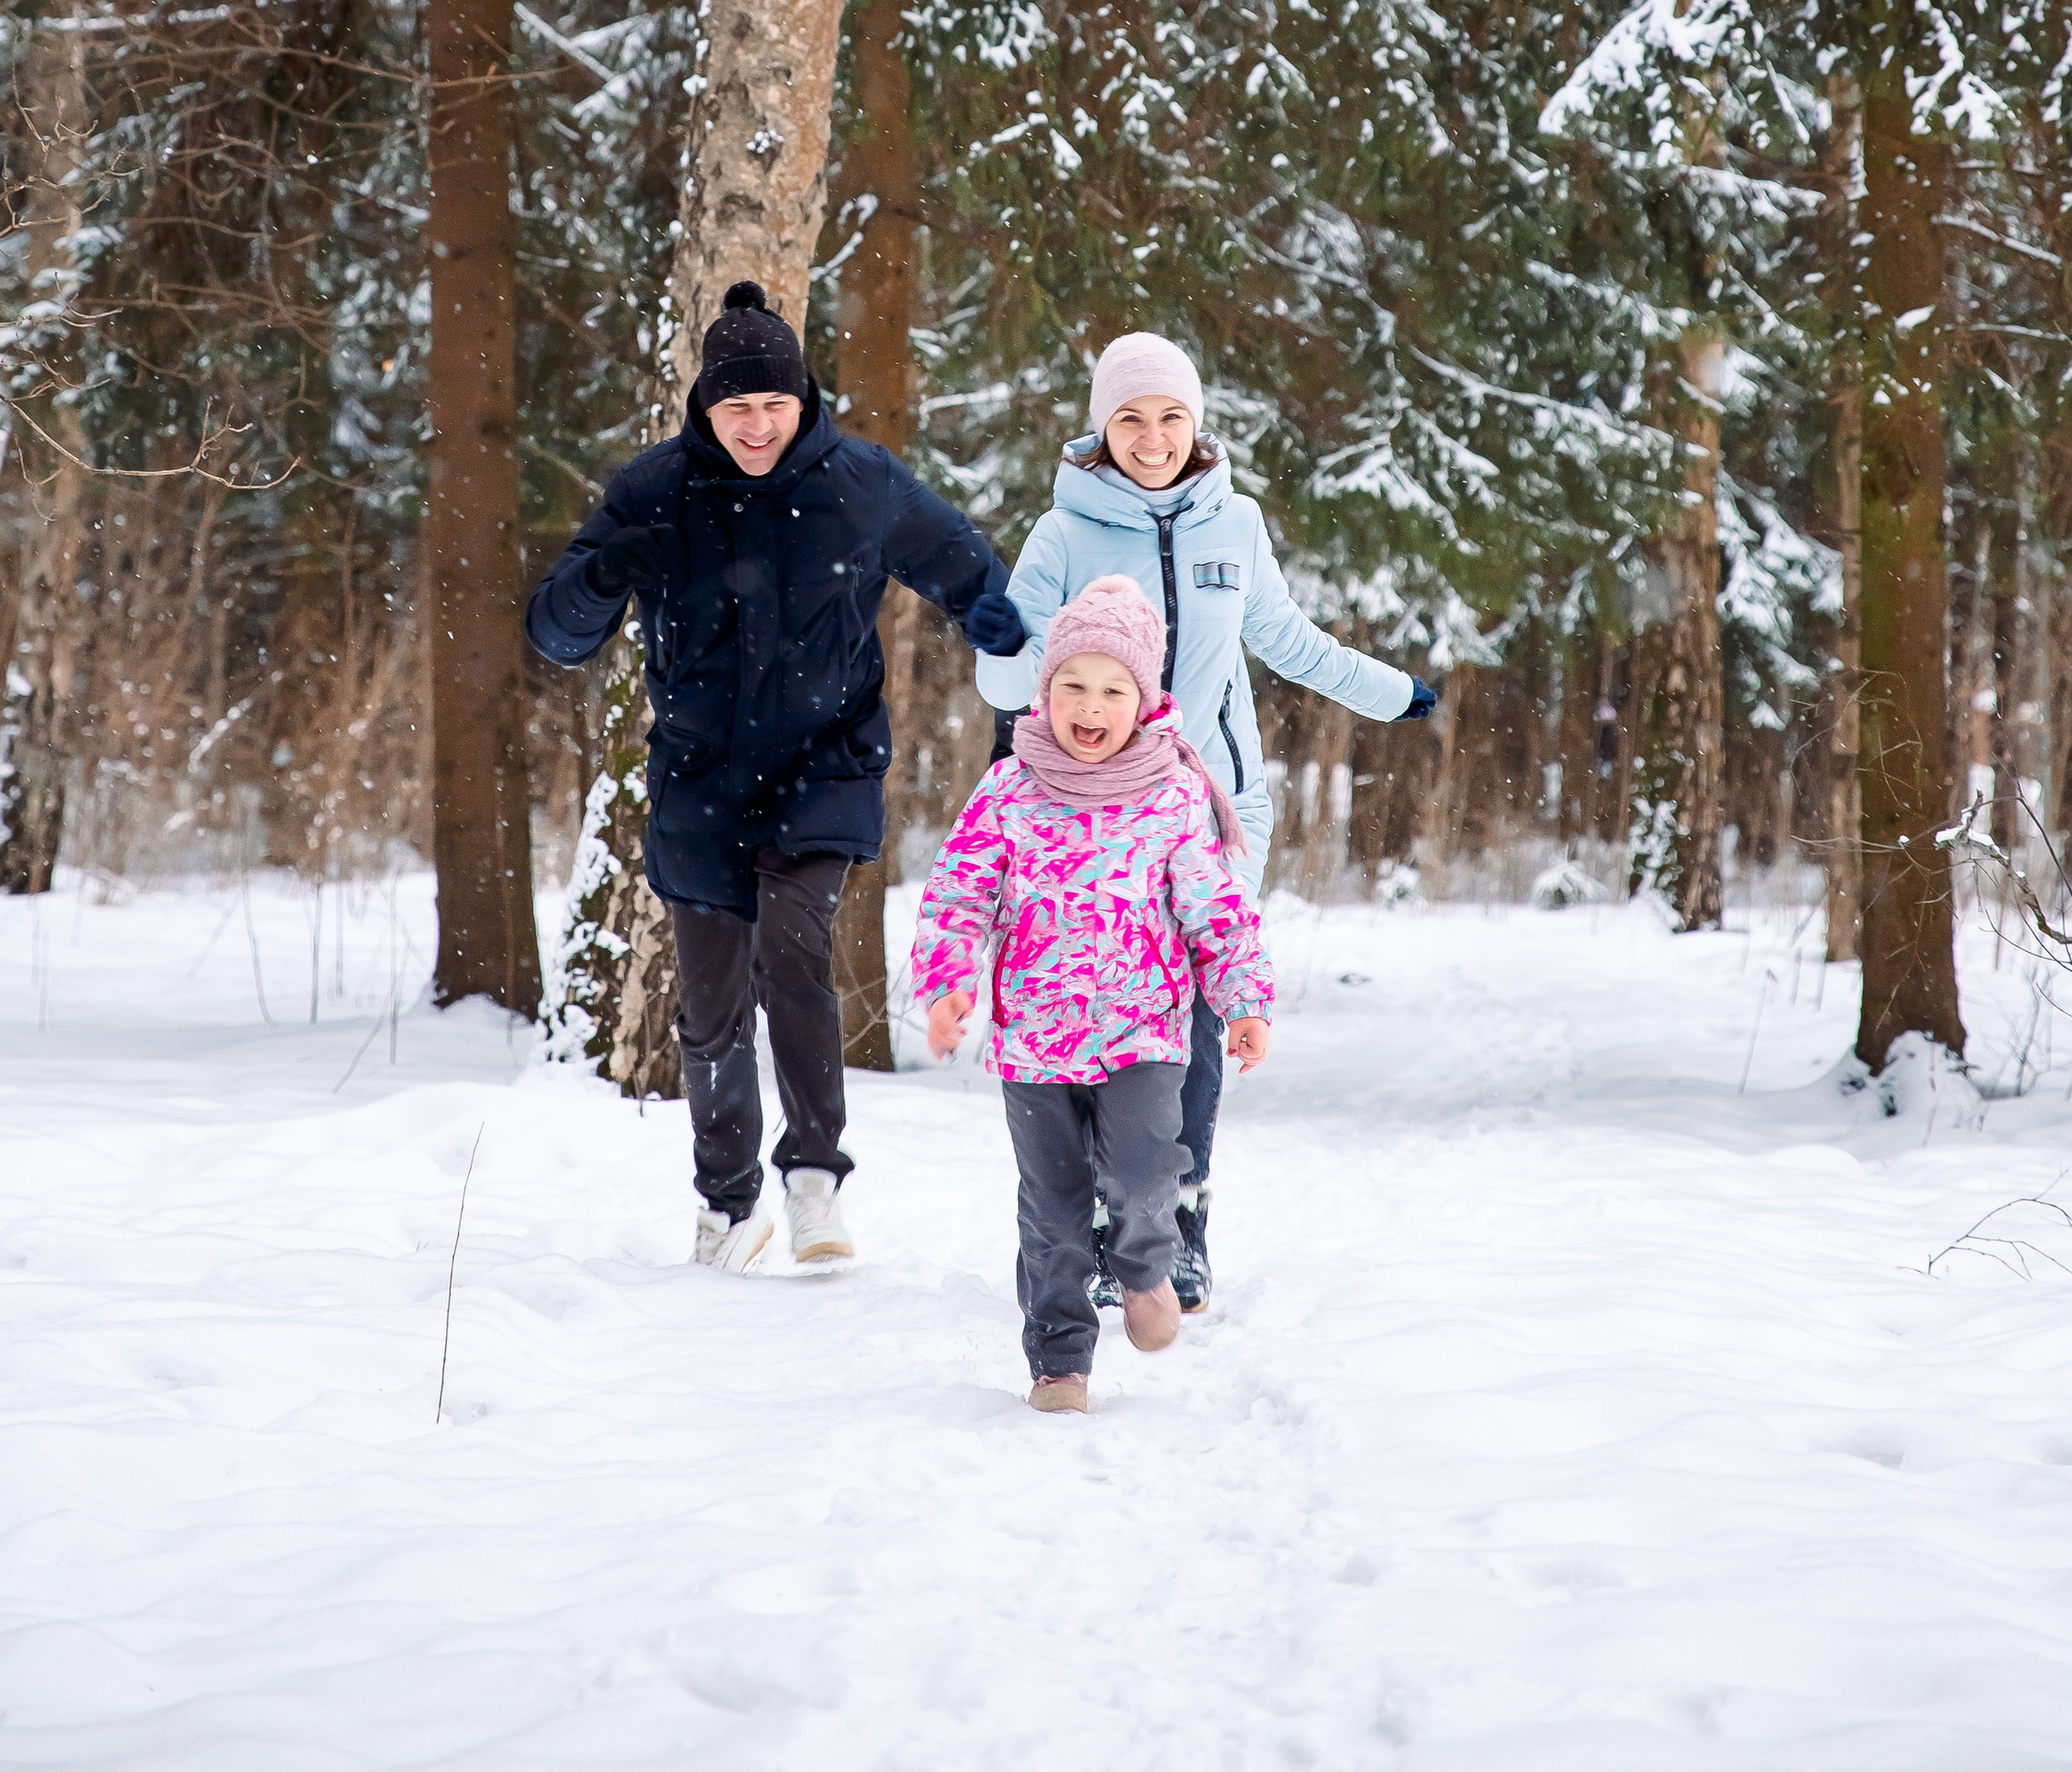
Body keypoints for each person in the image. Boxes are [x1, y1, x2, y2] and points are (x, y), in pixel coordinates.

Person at [525, 280, 1027, 1273]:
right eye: (736, 408)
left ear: (804, 400)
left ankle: (813, 1181)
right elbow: (555, 634)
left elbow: (972, 575)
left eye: (775, 406)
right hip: (697, 782)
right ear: (703, 410)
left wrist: (1020, 656)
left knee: (792, 952)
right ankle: (728, 1201)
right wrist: (600, 574)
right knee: (709, 1009)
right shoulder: (654, 490)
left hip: (823, 767)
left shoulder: (861, 482)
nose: (757, 427)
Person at [973, 328, 1439, 1314]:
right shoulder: (1062, 536)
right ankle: (1110, 1215)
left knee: (1192, 1009)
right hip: (1093, 805)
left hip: (1219, 801)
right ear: (1102, 429)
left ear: (1197, 424)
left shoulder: (1237, 525)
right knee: (1105, 1007)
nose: (1152, 437)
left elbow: (1282, 638)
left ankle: (1179, 1227)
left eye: (1171, 417)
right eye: (1131, 419)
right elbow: (1004, 670)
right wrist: (1014, 650)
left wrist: (1392, 693)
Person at [912, 577, 1273, 1413]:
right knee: (1052, 1209)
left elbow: (1214, 908)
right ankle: (1060, 1363)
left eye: (1113, 689)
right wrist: (945, 986)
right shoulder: (1008, 789)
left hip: (1144, 1031)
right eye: (1072, 684)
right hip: (1034, 1042)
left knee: (1147, 1175)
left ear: (1143, 704)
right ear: (1044, 693)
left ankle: (1145, 1263)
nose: (1090, 705)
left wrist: (1244, 1001)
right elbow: (959, 893)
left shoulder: (1173, 793)